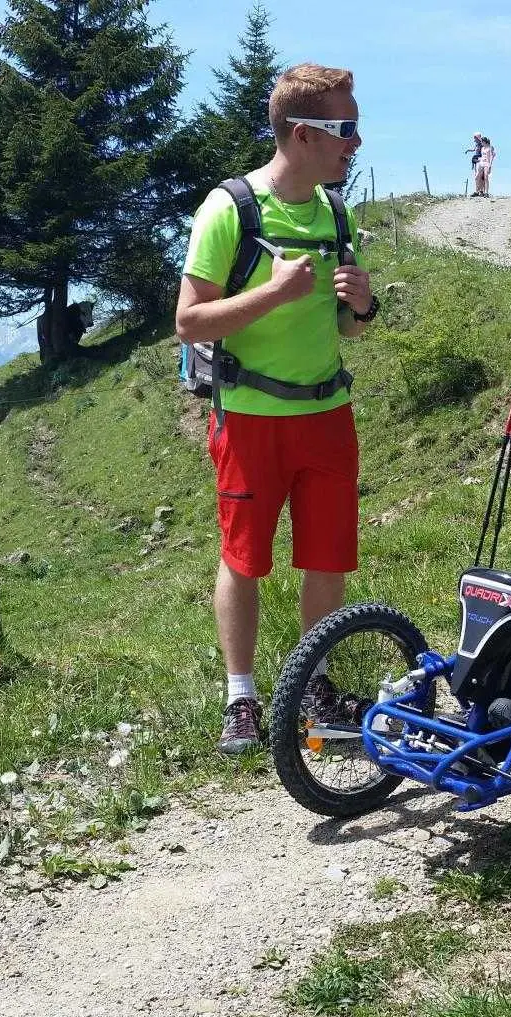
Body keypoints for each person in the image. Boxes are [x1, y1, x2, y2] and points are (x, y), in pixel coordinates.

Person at [175, 63, 377, 754]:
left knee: (327, 559)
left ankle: (314, 686)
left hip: (327, 415)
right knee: (244, 558)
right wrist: (273, 294)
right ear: (302, 133)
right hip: (250, 417)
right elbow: (190, 321)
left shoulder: (337, 214)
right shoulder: (229, 208)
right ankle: (241, 700)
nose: (355, 142)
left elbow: (348, 330)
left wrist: (360, 306)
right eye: (345, 128)